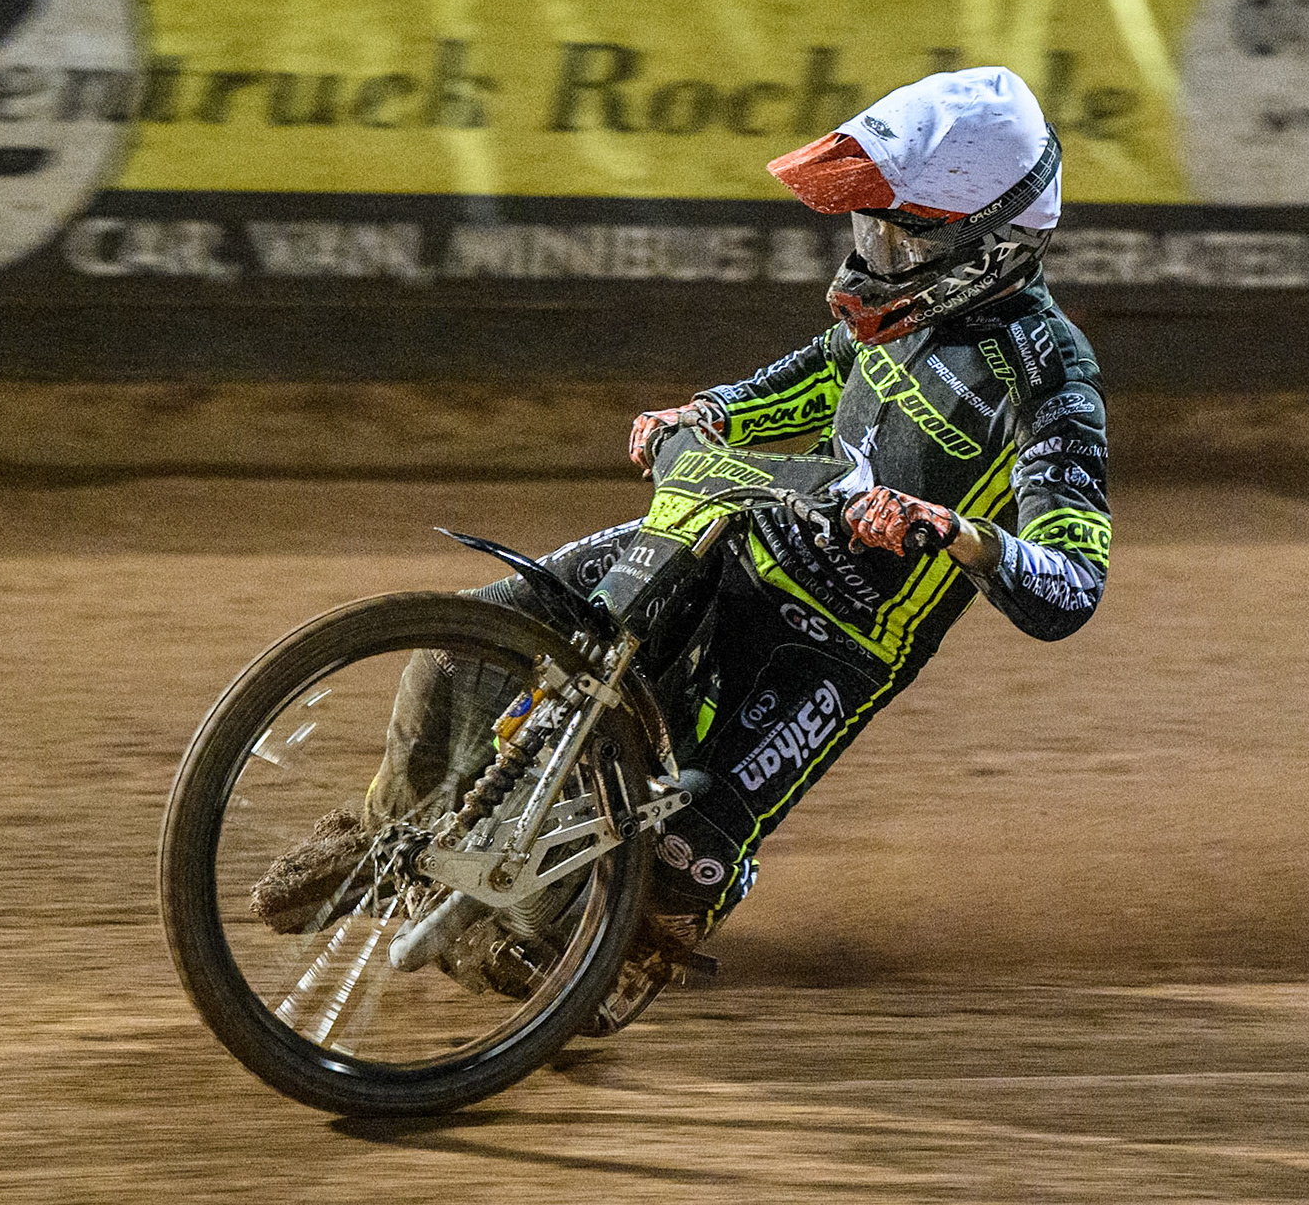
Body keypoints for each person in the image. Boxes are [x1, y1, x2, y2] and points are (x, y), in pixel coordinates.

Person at [254, 66, 1112, 1032]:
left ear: (983, 242)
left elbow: (1072, 583)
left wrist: (955, 532)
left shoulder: (1051, 381)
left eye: (894, 231)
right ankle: (384, 840)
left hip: (835, 638)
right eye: (866, 227)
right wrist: (706, 412)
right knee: (476, 633)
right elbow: (821, 372)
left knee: (658, 859)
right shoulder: (902, 317)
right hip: (740, 526)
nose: (868, 251)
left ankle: (631, 945)